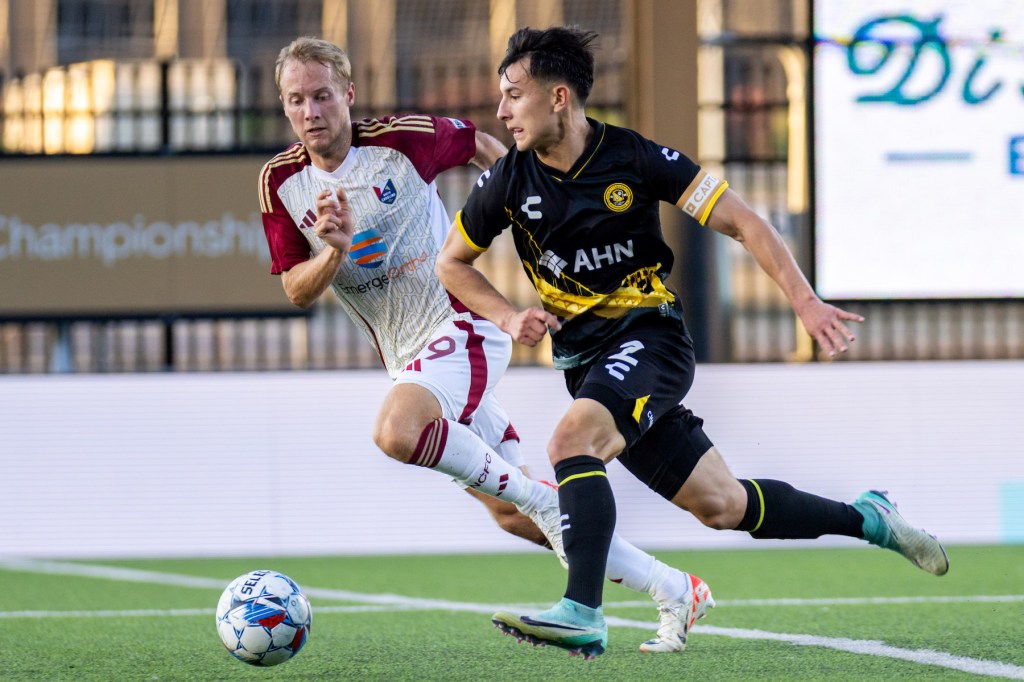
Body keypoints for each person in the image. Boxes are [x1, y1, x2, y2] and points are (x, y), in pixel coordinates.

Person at [436, 26, 950, 659]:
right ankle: (869, 517)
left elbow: (744, 221)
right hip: (588, 365)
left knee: (572, 442)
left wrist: (804, 301)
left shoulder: (636, 157)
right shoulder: (507, 181)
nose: (502, 111)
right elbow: (451, 263)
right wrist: (509, 315)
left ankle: (582, 612)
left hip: (650, 339)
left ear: (559, 96)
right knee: (722, 505)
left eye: (514, 95)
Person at [258, 36, 713, 653]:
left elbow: (485, 150)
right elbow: (295, 289)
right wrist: (333, 252)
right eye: (296, 101)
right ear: (284, 107)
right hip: (410, 360)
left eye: (322, 96)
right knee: (514, 517)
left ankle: (543, 503)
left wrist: (529, 217)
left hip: (462, 325)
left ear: (348, 94)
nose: (311, 111)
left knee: (397, 432)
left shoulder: (403, 139)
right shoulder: (280, 182)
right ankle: (675, 588)